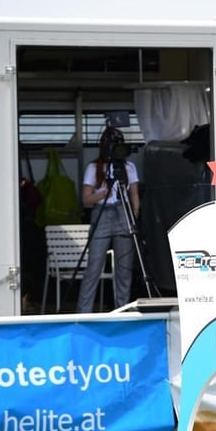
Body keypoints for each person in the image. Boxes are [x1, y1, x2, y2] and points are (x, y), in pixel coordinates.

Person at [77, 127, 140, 312]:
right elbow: (86, 200)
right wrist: (102, 194)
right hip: (101, 213)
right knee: (94, 267)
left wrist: (134, 215)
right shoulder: (93, 167)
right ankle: (83, 313)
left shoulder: (129, 167)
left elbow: (134, 194)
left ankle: (122, 310)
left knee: (124, 268)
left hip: (123, 211)